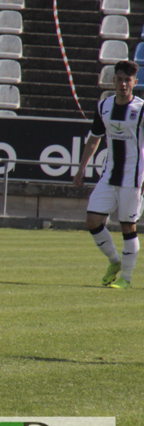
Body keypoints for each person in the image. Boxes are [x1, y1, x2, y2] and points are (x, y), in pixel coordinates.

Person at [73, 60, 143, 289]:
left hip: (133, 179)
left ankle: (126, 278)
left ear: (135, 82)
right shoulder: (104, 106)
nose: (123, 84)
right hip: (109, 174)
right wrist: (82, 167)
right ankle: (114, 261)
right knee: (92, 220)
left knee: (127, 227)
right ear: (113, 80)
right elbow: (94, 138)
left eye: (128, 80)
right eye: (120, 79)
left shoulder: (141, 109)